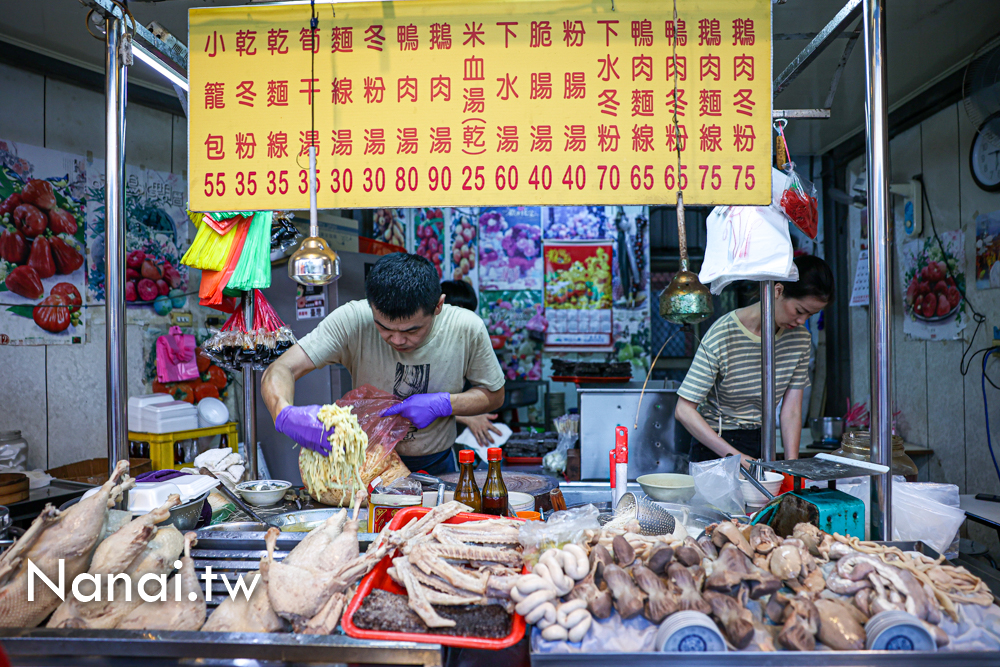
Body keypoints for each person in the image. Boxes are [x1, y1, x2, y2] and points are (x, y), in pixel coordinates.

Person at [261, 253, 506, 476]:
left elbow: (494, 395)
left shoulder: (465, 327)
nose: (397, 340)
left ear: (438, 306)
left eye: (412, 330)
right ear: (371, 307)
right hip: (367, 464)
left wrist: (445, 404)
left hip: (436, 463)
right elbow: (281, 368)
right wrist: (283, 412)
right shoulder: (352, 319)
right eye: (384, 328)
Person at [674, 255, 834, 467]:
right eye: (799, 311)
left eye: (810, 315)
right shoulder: (723, 333)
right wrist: (735, 457)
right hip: (715, 445)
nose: (801, 321)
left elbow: (792, 410)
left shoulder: (800, 340)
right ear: (777, 291)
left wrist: (792, 467)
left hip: (762, 440)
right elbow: (683, 410)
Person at [440, 280, 503, 447]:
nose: (463, 318)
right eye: (456, 309)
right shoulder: (425, 344)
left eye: (468, 311)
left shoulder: (471, 338)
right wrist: (465, 416)